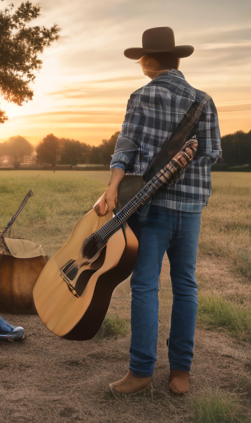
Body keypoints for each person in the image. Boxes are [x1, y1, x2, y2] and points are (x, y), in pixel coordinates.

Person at [93, 27, 221, 395]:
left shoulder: (142, 96)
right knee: (185, 287)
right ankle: (181, 373)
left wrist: (114, 186)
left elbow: (126, 147)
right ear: (177, 60)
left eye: (141, 60)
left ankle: (141, 372)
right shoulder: (204, 99)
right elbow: (211, 154)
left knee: (145, 286)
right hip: (192, 209)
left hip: (152, 208)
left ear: (149, 62)